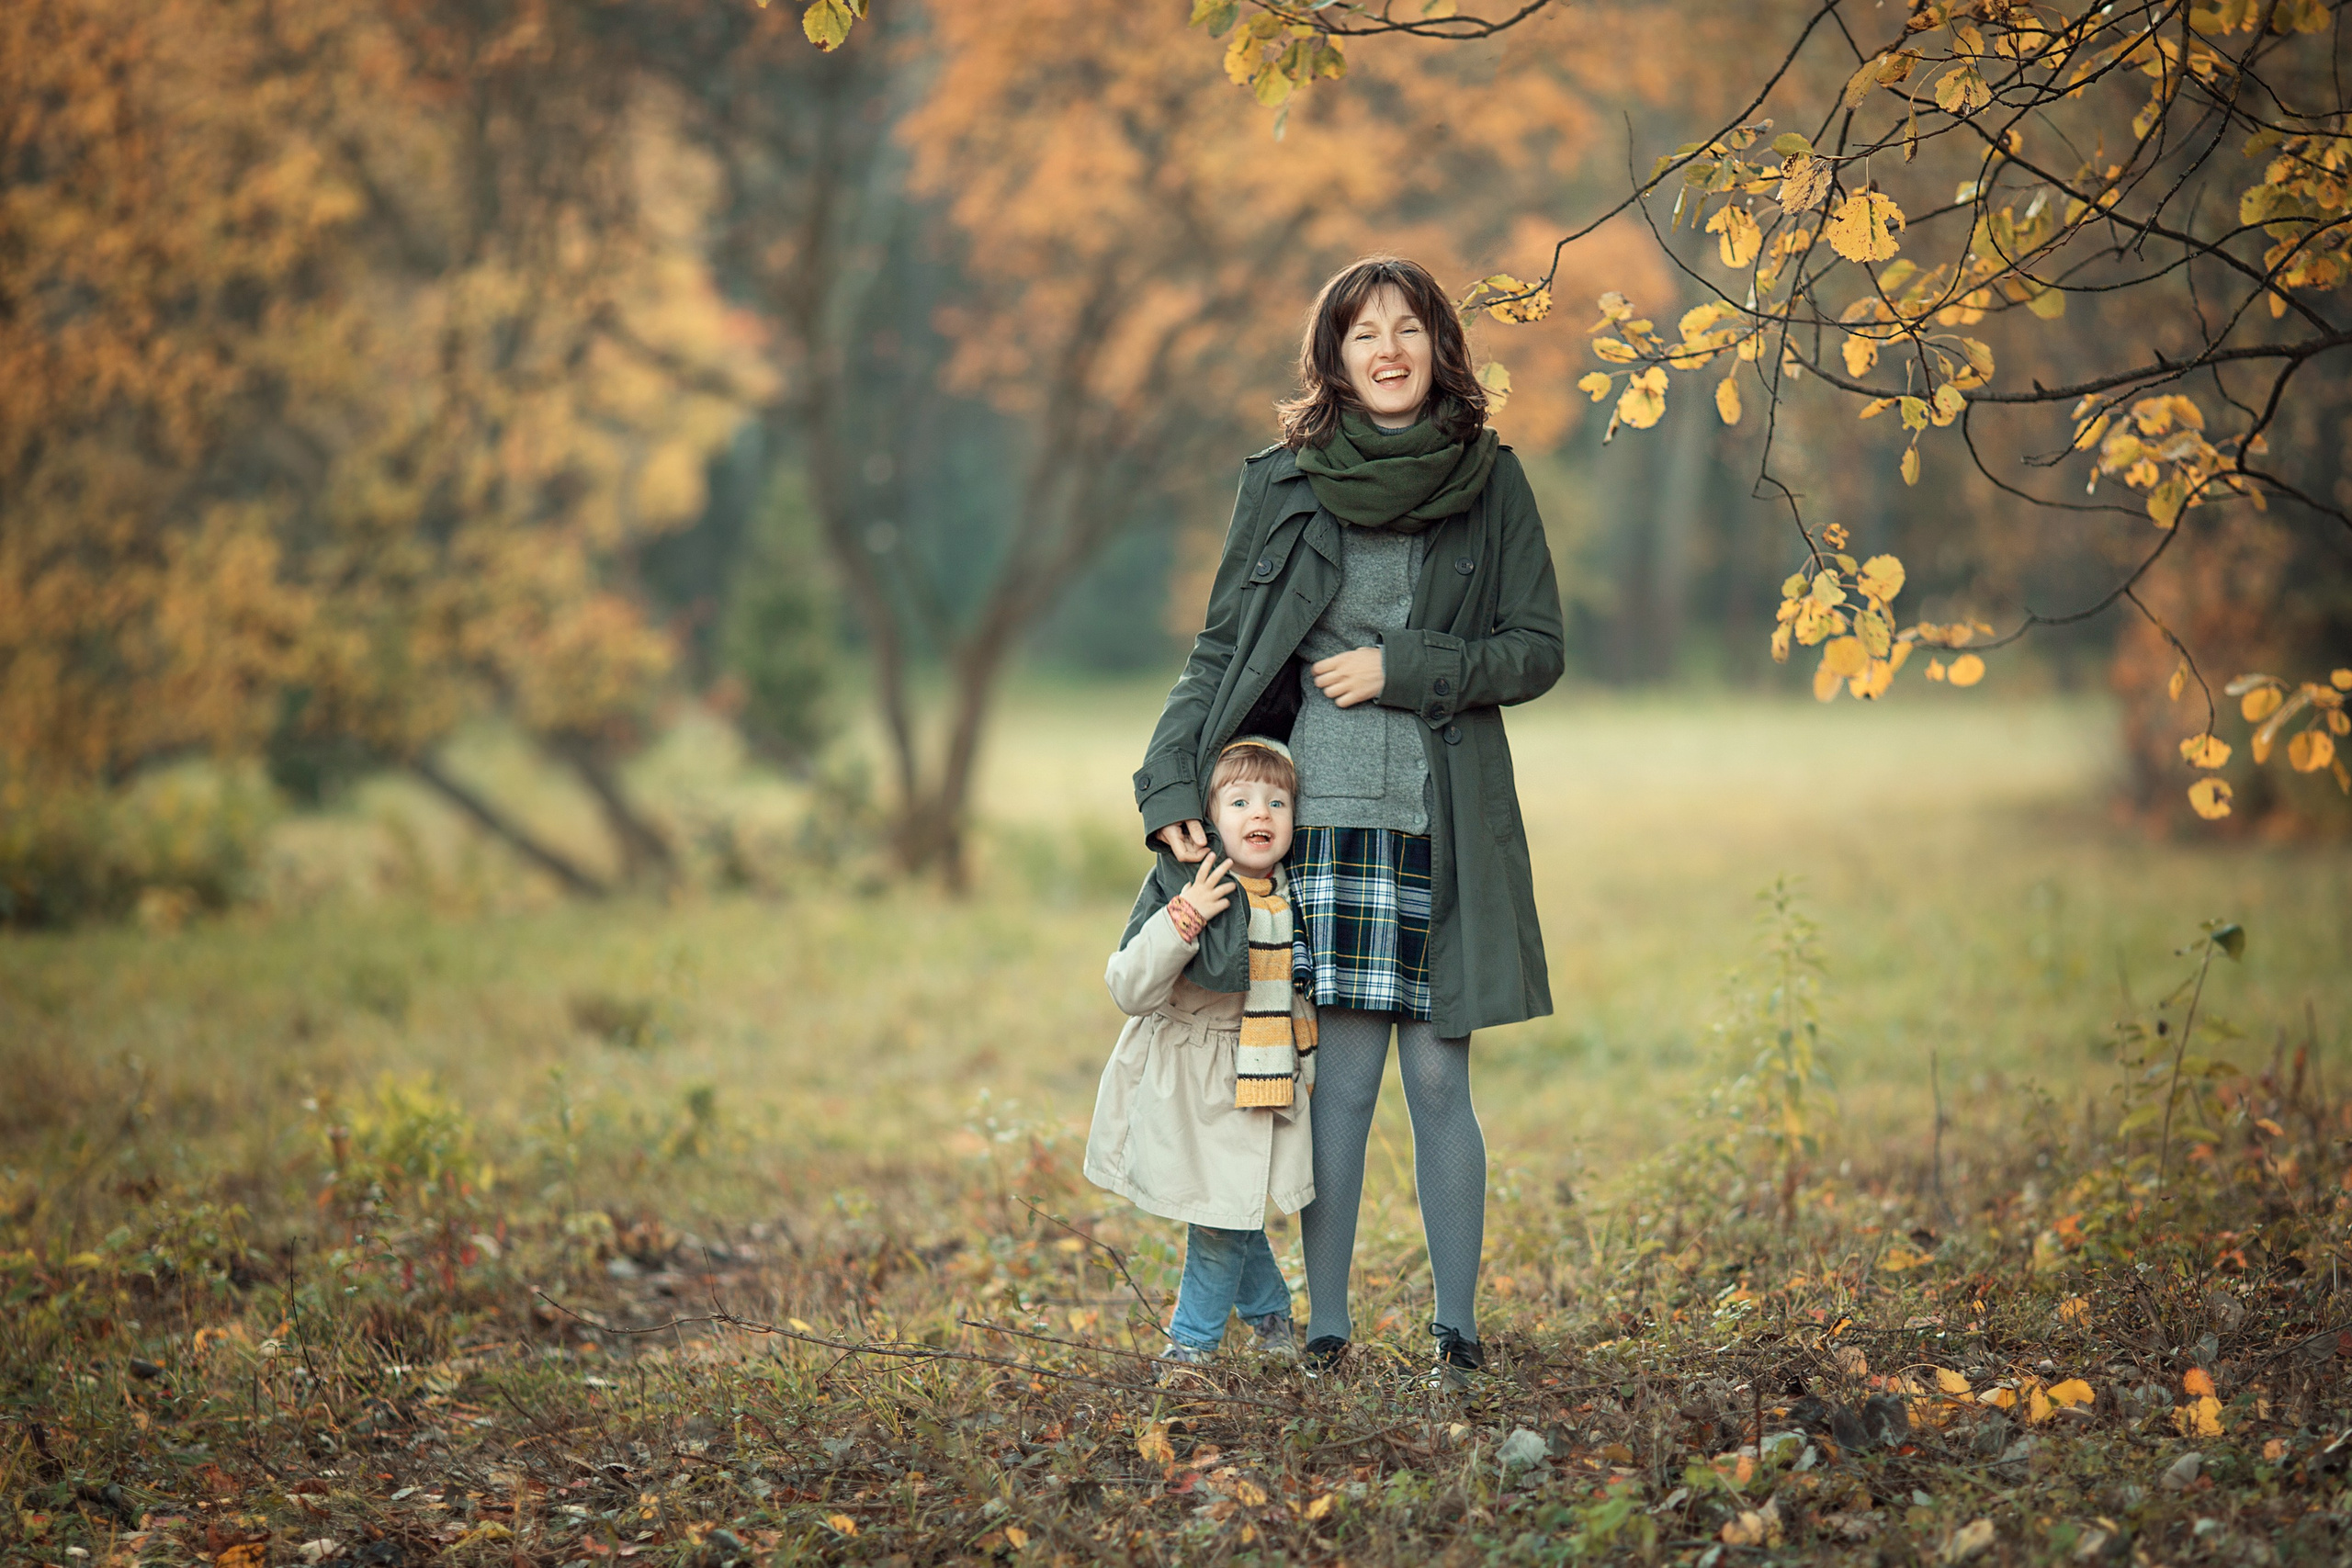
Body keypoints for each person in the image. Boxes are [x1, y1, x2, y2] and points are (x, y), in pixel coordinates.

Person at [1131, 255, 1563, 1391]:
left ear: (1438, 348)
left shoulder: (1491, 482)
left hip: (1441, 822)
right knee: (1342, 1085)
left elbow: (1536, 649)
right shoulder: (1283, 481)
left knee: (1436, 1085)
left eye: (1408, 328)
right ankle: (1328, 1333)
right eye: (1363, 330)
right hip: (1310, 826)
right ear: (1333, 353)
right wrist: (1168, 783)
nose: (1387, 348)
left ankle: (1456, 1334)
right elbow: (1221, 648)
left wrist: (1406, 665)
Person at [1083, 737, 1319, 1373]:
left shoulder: (1298, 891)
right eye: (1239, 800)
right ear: (1208, 817)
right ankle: (1192, 1348)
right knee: (1220, 1214)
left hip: (1264, 1075)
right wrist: (1184, 919)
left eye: (1277, 801)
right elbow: (1129, 986)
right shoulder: (1187, 881)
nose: (1260, 814)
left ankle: (1271, 1317)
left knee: (1230, 1205)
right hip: (1193, 1077)